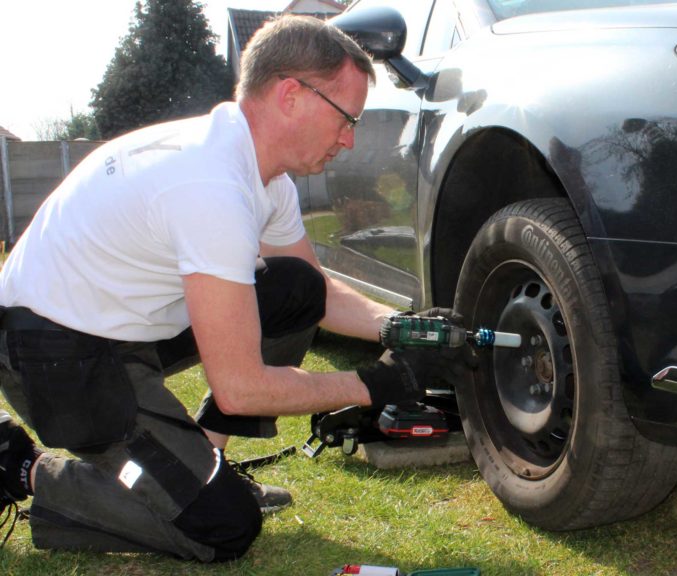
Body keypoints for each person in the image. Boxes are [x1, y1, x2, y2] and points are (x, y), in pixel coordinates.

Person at [0, 15, 465, 562]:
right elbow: (240, 388)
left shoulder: (264, 178)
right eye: (346, 118)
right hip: (53, 357)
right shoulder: (209, 184)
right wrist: (374, 384)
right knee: (222, 526)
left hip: (119, 327)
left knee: (295, 288)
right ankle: (23, 468)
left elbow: (315, 292)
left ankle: (204, 459)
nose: (350, 138)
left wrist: (399, 326)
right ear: (291, 94)